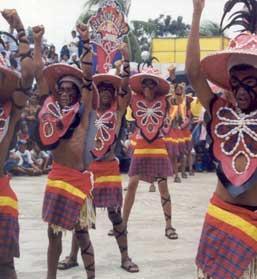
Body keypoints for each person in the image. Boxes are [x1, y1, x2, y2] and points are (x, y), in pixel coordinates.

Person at [186, 0, 257, 278]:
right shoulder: (220, 112)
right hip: (223, 215)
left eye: (248, 81)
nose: (239, 88)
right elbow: (193, 73)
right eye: (234, 81)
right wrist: (197, 14)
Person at [58, 43, 139, 273]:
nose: (104, 91)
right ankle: (73, 256)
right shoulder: (88, 112)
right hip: (88, 169)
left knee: (115, 214)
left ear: (113, 94)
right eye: (100, 88)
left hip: (109, 170)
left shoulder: (118, 111)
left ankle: (125, 257)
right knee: (79, 216)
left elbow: (125, 89)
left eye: (108, 89)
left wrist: (126, 62)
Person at [33, 24, 96, 279]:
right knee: (53, 234)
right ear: (57, 93)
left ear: (78, 93)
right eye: (62, 89)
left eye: (72, 89)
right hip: (57, 178)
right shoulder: (50, 112)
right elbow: (39, 76)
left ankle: (92, 276)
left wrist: (87, 42)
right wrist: (37, 43)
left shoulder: (83, 114)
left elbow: (89, 76)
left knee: (82, 236)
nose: (67, 92)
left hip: (77, 180)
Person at [123, 65, 178, 240]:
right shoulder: (134, 99)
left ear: (156, 87)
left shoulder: (164, 100)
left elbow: (177, 99)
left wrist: (172, 78)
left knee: (163, 188)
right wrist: (122, 69)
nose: (147, 88)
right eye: (145, 85)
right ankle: (122, 224)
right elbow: (123, 91)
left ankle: (169, 226)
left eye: (151, 85)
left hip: (158, 148)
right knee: (131, 185)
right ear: (141, 87)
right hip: (141, 146)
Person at [0, 9, 34, 279]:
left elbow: (28, 79)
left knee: (5, 266)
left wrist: (21, 31)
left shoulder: (10, 109)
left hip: (0, 197)